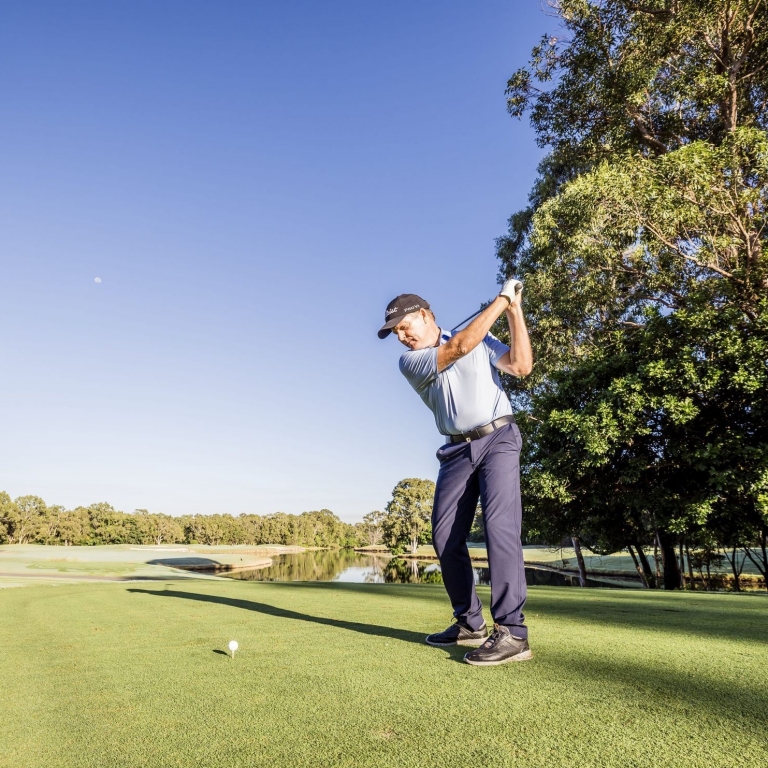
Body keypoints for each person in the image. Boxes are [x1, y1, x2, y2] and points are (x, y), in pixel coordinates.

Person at [377, 280, 533, 665]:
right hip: (456, 451)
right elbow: (458, 348)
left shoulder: (481, 337)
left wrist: (514, 310)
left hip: (498, 438)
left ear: (425, 315)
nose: (401, 337)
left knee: (499, 527)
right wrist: (502, 299)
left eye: (404, 327)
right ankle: (469, 623)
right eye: (395, 333)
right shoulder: (411, 362)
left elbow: (520, 366)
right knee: (445, 535)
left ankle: (512, 632)